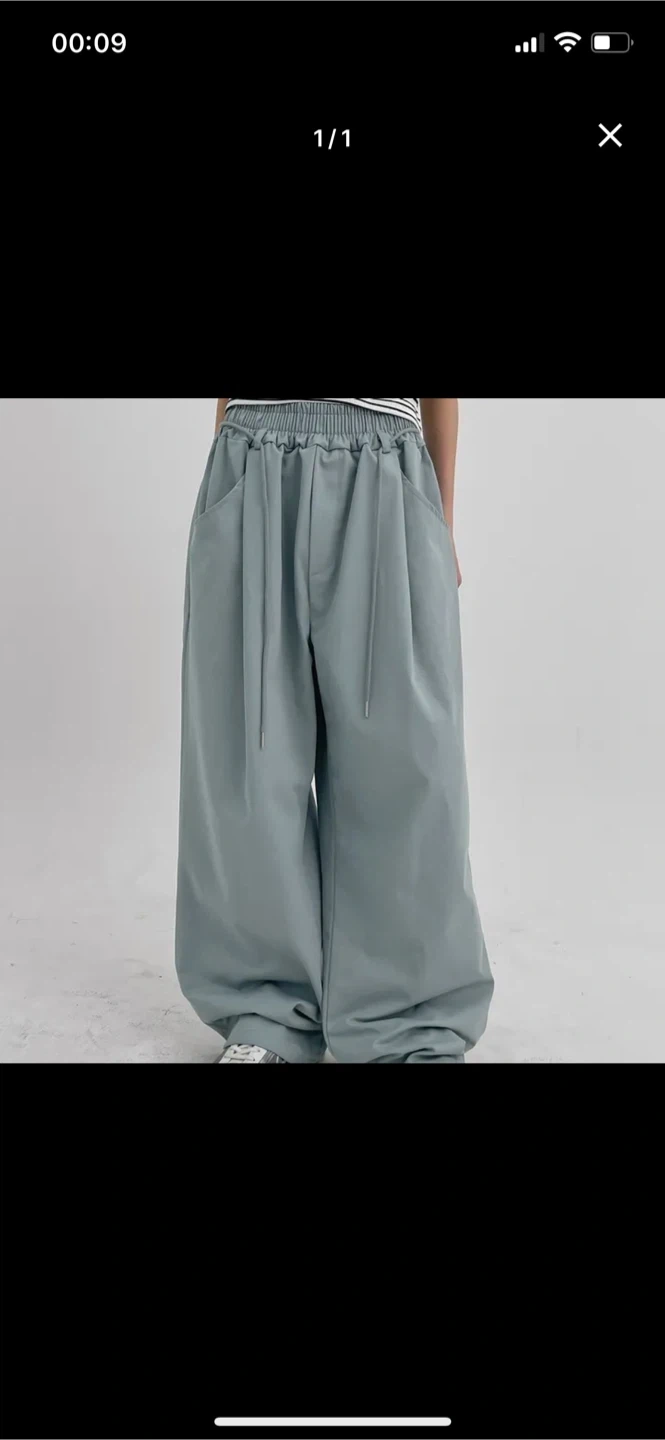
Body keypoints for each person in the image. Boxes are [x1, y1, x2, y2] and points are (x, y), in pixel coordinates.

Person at [175, 399, 493, 1062]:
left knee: (407, 760)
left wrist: (440, 519)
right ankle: (265, 1011)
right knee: (249, 755)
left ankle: (407, 1023)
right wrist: (226, 482)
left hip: (386, 459)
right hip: (251, 450)